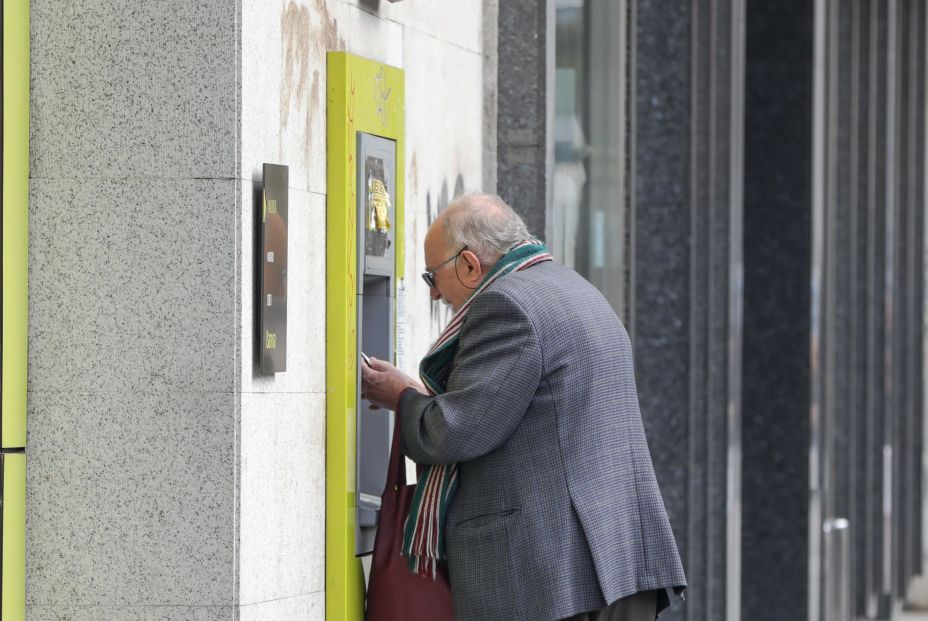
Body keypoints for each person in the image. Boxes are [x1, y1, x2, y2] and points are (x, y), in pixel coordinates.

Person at [361, 193, 686, 621]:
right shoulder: (574, 288)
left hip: (555, 579)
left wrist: (401, 398)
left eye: (432, 276)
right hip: (615, 562)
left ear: (470, 266)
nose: (436, 293)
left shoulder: (506, 306)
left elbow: (453, 433)